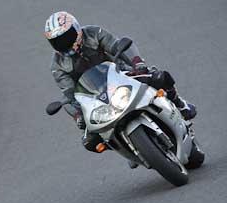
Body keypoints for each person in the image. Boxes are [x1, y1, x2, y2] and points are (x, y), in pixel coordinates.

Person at [44, 11, 197, 152]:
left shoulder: (93, 33)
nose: (63, 43)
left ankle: (179, 104)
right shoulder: (57, 65)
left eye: (66, 37)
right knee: (90, 141)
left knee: (159, 77)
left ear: (76, 29)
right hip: (95, 96)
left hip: (121, 74)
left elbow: (117, 46)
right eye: (57, 41)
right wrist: (79, 114)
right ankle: (125, 145)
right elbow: (69, 92)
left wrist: (137, 64)